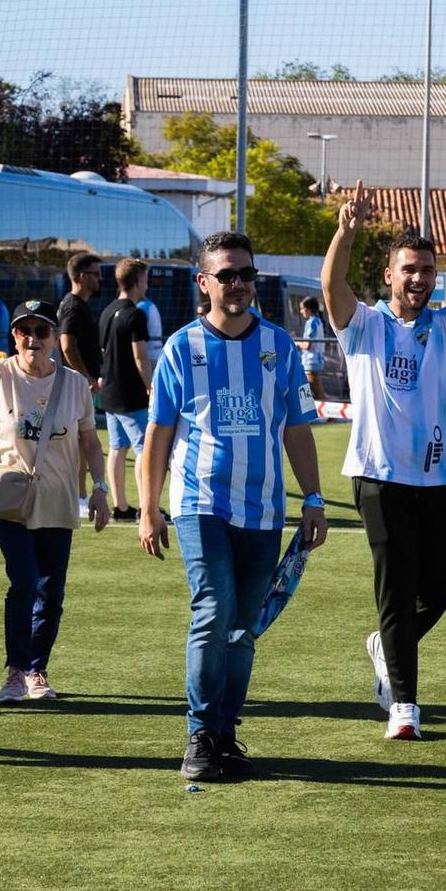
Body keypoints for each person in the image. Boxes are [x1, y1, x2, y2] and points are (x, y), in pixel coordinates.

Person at [138, 231, 330, 783]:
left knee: (245, 626)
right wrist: (149, 507)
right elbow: (157, 435)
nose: (239, 284)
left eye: (246, 274)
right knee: (213, 609)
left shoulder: (280, 346)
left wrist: (313, 498)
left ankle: (224, 732)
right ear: (205, 283)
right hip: (201, 503)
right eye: (227, 275)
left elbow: (297, 427)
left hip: (265, 510)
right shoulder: (181, 348)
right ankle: (199, 733)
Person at [323, 181, 446, 740]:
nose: (419, 279)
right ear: (390, 276)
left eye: (426, 271)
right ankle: (404, 705)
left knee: (442, 587)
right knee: (396, 588)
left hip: (438, 479)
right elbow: (332, 285)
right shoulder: (364, 325)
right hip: (378, 478)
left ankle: (385, 643)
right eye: (409, 269)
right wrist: (345, 232)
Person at [0, 299, 111, 701]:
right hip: (10, 497)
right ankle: (16, 671)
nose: (32, 339)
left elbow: (91, 442)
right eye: (24, 331)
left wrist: (101, 489)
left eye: (41, 332)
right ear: (14, 336)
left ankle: (39, 670)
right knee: (22, 581)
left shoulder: (74, 384)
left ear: (55, 338)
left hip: (58, 498)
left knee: (51, 592)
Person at [96, 258, 155, 520]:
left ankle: (120, 507)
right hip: (130, 396)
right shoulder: (135, 314)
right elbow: (140, 356)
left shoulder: (107, 311)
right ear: (136, 282)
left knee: (118, 448)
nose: (147, 285)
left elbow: (103, 351)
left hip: (109, 392)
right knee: (144, 448)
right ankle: (145, 508)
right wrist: (150, 387)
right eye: (145, 279)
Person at [56, 252, 104, 389]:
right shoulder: (73, 306)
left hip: (77, 383)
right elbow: (67, 346)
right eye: (96, 274)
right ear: (83, 277)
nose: (100, 278)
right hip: (76, 385)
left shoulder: (77, 304)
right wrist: (85, 377)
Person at [295, 296, 329, 403]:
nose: (301, 311)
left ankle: (326, 414)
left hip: (311, 360)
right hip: (316, 360)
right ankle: (320, 414)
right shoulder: (318, 321)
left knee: (315, 390)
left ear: (308, 309)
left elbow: (308, 345)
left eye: (302, 308)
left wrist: (296, 343)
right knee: (312, 389)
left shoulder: (311, 322)